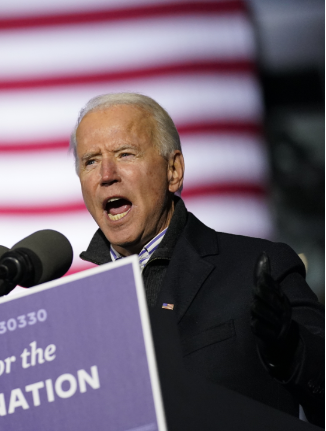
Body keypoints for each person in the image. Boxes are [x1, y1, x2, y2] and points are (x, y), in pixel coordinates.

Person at [70, 93, 324, 425]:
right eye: (91, 160)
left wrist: (291, 348)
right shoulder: (75, 318)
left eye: (125, 154)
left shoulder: (259, 269)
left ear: (173, 170)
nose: (106, 174)